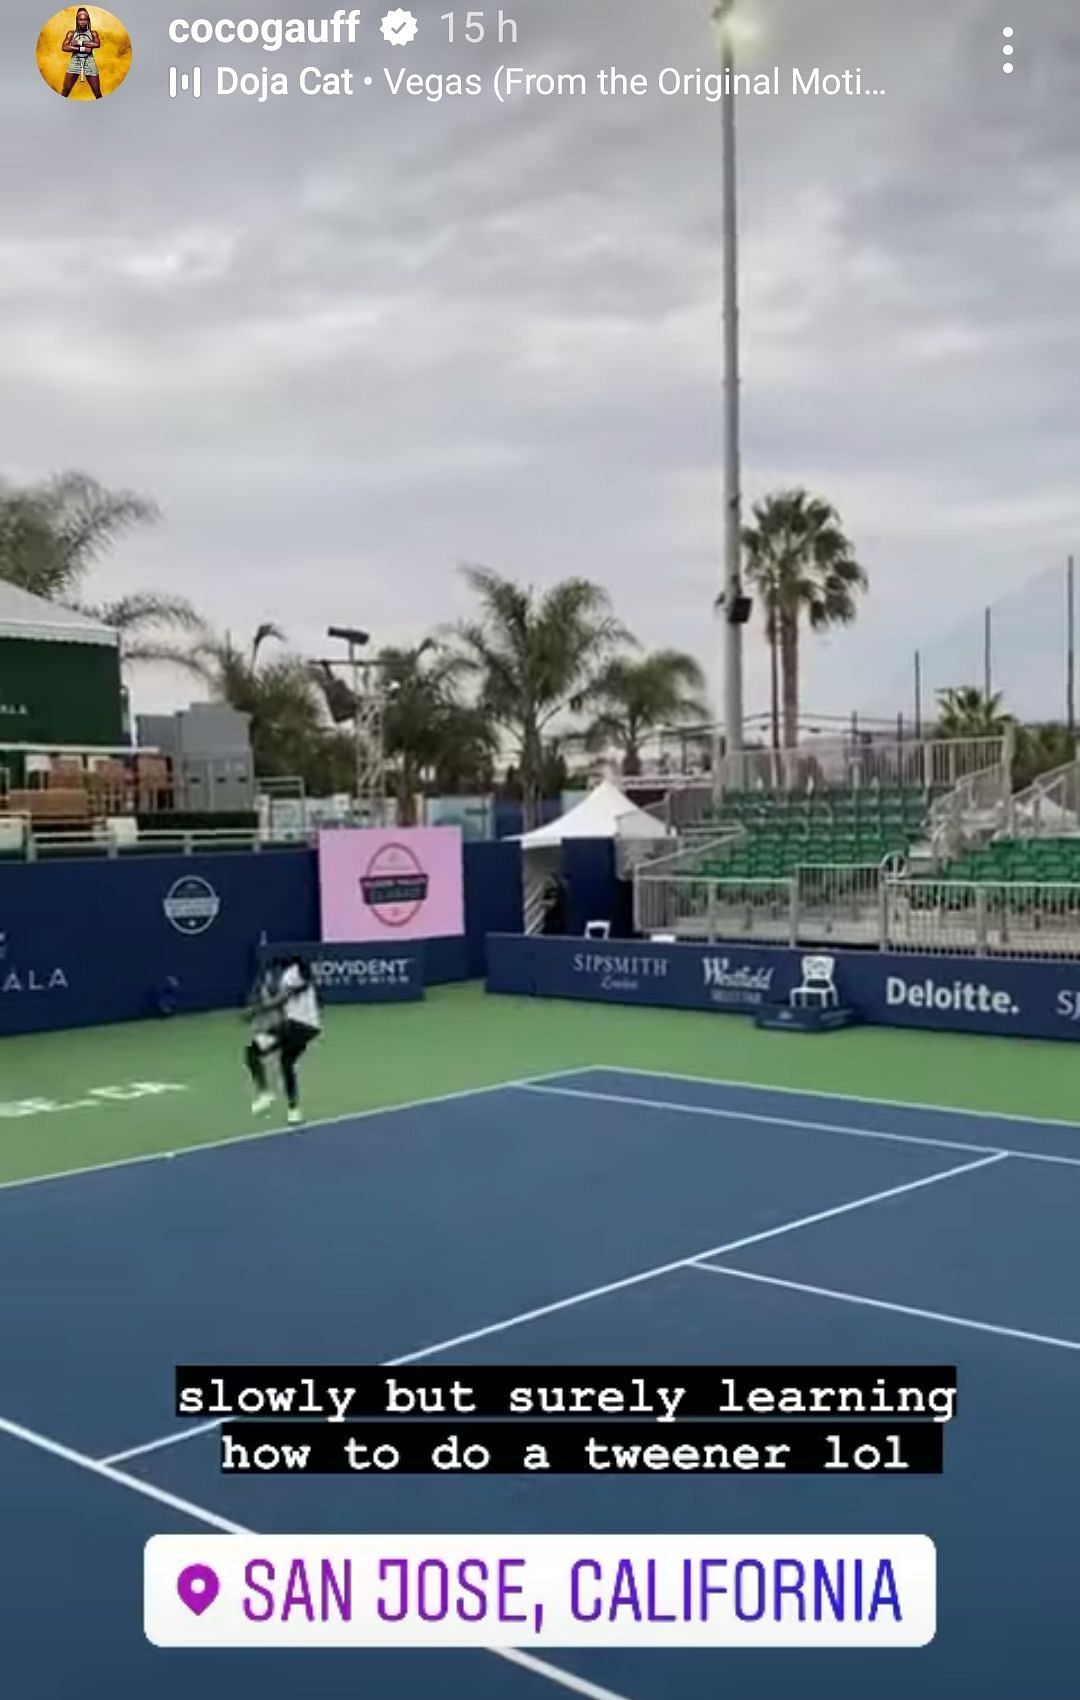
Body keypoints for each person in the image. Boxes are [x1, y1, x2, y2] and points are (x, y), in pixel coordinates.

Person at [244, 955, 322, 1128]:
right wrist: (265, 1022)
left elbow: (282, 998)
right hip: (309, 1030)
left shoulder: (294, 974)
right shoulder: (291, 979)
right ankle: (294, 1111)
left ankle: (264, 1094)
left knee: (252, 1051)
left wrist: (256, 1011)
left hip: (296, 1026)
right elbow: (282, 1004)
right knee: (286, 1063)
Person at [61, 8, 103, 99]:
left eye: (85, 20)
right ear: (77, 20)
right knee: (65, 90)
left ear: (88, 21)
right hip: (75, 61)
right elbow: (64, 47)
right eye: (80, 19)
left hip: (89, 61)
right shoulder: (71, 33)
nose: (83, 22)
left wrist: (79, 43)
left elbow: (97, 44)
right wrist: (84, 48)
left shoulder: (93, 33)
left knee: (97, 92)